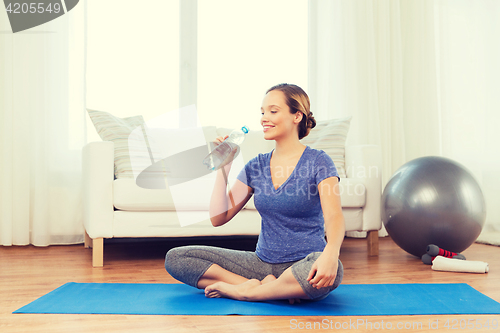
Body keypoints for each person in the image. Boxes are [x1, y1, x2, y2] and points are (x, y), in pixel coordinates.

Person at [165, 83, 345, 303]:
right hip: (261, 264)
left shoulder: (318, 161)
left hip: (304, 262)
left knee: (331, 271)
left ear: (297, 116)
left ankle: (244, 291)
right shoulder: (256, 166)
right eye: (262, 112)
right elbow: (218, 217)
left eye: (273, 111)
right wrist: (224, 167)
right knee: (178, 258)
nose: (263, 118)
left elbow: (334, 216)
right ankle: (270, 289)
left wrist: (331, 254)